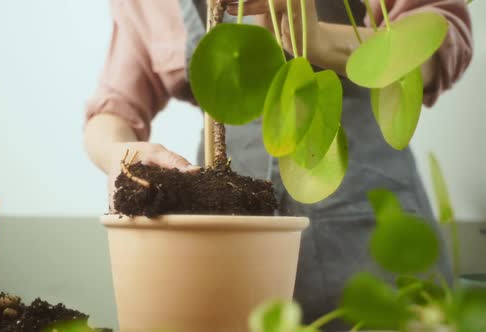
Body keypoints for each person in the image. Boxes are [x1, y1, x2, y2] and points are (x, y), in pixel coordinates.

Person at [84, 0, 473, 329]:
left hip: (370, 237)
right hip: (228, 252)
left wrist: (318, 41)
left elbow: (440, 41)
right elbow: (112, 107)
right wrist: (122, 156)